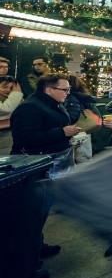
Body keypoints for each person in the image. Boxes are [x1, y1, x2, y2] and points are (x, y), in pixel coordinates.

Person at [10, 74, 77, 258]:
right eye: (64, 89)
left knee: (40, 209)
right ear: (49, 90)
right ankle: (27, 251)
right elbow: (25, 138)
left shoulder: (51, 104)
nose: (68, 93)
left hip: (50, 164)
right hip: (37, 168)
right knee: (33, 211)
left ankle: (34, 245)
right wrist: (62, 132)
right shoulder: (30, 108)